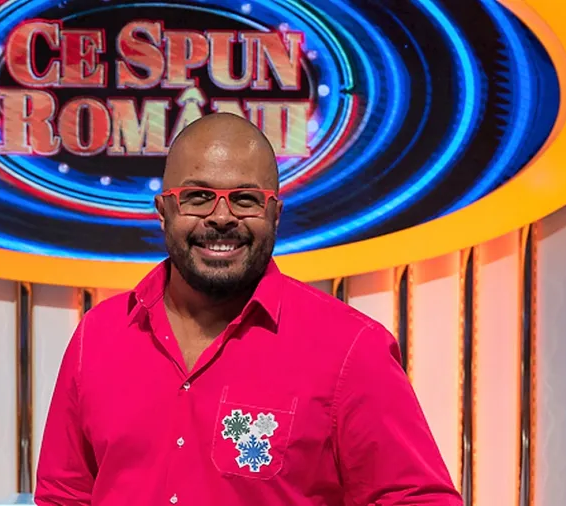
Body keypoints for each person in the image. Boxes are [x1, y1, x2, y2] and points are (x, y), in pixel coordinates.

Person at [35, 113, 462, 505]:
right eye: (198, 196)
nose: (222, 217)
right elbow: (63, 497)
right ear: (163, 211)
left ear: (275, 214)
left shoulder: (352, 350)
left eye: (245, 199)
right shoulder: (99, 336)